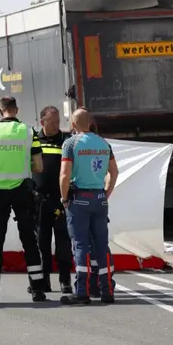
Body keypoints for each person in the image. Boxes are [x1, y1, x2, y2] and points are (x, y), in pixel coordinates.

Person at [0, 96, 48, 304]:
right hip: (22, 192)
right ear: (16, 109)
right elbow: (39, 166)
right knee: (29, 240)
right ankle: (37, 289)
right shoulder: (28, 131)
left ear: (0, 111)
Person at [59, 108, 119, 305]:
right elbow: (114, 172)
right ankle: (107, 291)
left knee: (81, 245)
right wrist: (107, 192)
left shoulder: (70, 144)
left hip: (79, 198)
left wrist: (64, 198)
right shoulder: (104, 143)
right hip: (99, 198)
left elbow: (64, 175)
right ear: (91, 123)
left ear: (74, 125)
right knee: (102, 245)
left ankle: (82, 292)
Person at [29, 105, 73, 294]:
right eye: (52, 122)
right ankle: (43, 281)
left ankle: (65, 281)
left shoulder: (66, 141)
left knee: (63, 243)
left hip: (60, 199)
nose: (56, 125)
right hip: (39, 201)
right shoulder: (34, 140)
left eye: (58, 122)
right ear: (42, 122)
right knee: (42, 244)